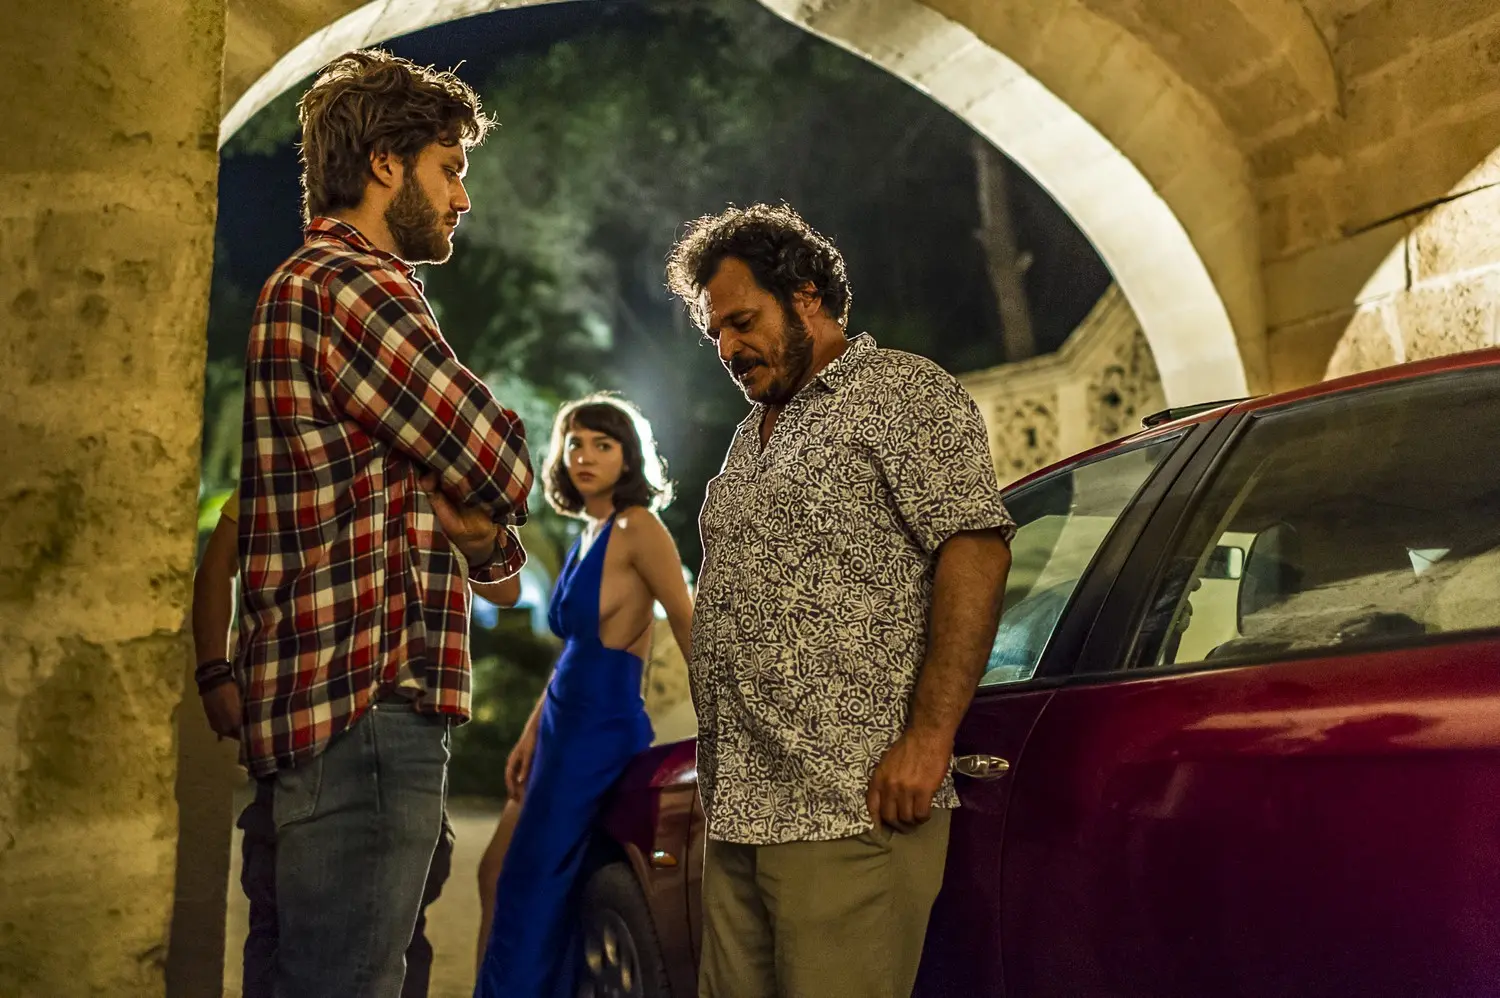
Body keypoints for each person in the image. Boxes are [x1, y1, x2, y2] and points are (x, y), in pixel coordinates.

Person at [213, 49, 534, 998]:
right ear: (386, 163)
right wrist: (487, 510)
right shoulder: (352, 286)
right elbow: (500, 461)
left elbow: (471, 526)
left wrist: (484, 541)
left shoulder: (309, 285)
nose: (462, 198)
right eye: (450, 169)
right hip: (364, 709)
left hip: (322, 711)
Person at [665, 203, 1016, 998]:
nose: (728, 348)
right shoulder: (752, 435)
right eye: (715, 333)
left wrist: (928, 740)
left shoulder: (902, 393)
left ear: (808, 296)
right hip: (741, 808)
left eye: (743, 322)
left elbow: (975, 550)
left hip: (848, 806)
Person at [192, 486, 511, 998]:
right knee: (283, 925)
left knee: (400, 933)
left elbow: (506, 588)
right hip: (302, 718)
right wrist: (213, 672)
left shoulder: (444, 471)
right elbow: (218, 564)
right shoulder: (291, 462)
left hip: (411, 723)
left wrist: (474, 537)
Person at [475, 394, 694, 998]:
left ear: (628, 456)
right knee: (495, 871)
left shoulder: (638, 527)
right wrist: (529, 734)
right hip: (558, 726)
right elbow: (570, 653)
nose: (585, 456)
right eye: (575, 443)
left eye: (603, 444)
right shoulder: (587, 533)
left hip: (598, 731)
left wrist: (724, 715)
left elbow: (686, 620)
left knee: (530, 882)